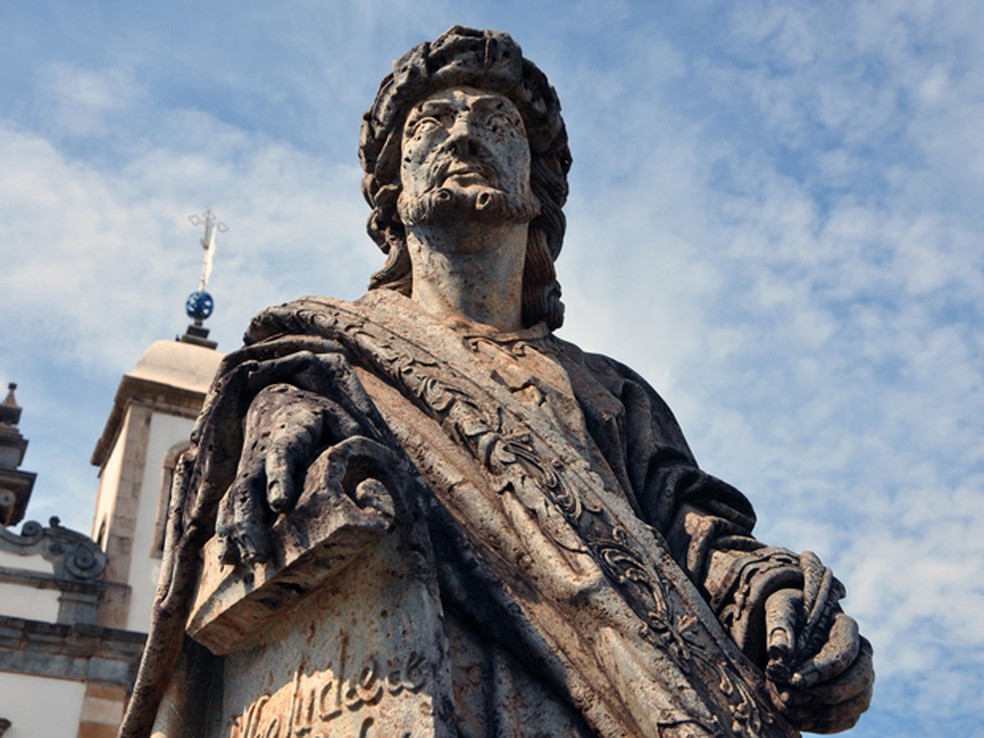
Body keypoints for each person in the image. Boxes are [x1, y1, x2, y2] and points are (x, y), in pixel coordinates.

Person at [120, 26, 872, 738]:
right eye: (430, 122)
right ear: (392, 192)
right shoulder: (317, 362)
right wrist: (278, 408)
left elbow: (699, 537)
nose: (461, 132)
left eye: (495, 121)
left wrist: (778, 602)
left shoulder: (611, 390)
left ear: (537, 187)